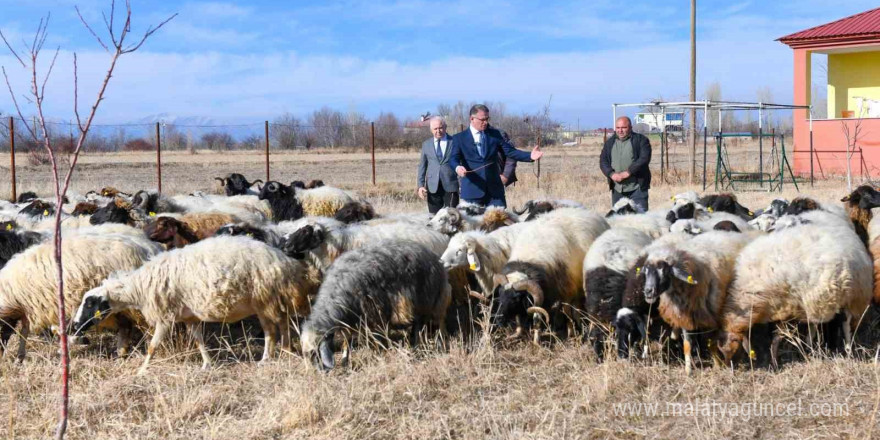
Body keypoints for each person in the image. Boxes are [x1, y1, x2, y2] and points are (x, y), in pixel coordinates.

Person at [450, 104, 542, 207]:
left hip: (495, 192)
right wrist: (458, 168)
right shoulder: (459, 138)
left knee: (500, 222)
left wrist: (530, 156)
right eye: (482, 119)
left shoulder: (495, 134)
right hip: (472, 191)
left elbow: (510, 152)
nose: (486, 122)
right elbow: (453, 158)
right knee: (472, 223)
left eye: (487, 119)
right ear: (472, 118)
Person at [599, 116, 652, 211]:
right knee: (619, 219)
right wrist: (611, 174)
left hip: (637, 188)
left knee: (640, 219)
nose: (620, 130)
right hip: (618, 189)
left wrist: (628, 172)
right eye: (618, 128)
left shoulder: (641, 140)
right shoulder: (610, 143)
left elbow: (644, 159)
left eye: (624, 127)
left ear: (630, 128)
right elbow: (603, 161)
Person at [417, 116, 459, 213]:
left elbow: (460, 162)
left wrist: (461, 183)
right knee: (434, 218)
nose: (438, 131)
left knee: (452, 216)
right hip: (432, 187)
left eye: (440, 128)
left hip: (451, 184)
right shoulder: (426, 145)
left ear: (445, 127)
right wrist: (420, 186)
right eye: (435, 129)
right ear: (431, 130)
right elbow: (422, 166)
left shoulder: (454, 142)